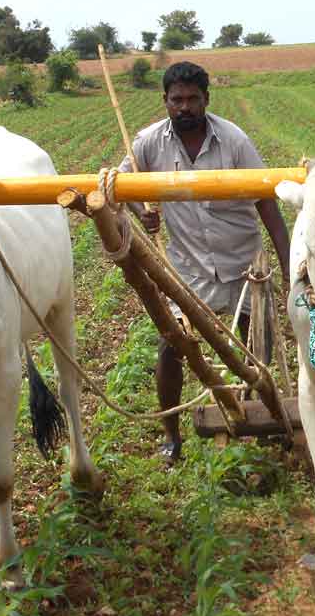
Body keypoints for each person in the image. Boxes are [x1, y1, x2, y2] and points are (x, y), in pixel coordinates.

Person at [119, 61, 290, 464]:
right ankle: (171, 435)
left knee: (255, 349)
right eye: (176, 100)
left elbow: (266, 199)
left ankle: (262, 417)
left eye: (193, 99)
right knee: (170, 348)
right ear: (164, 102)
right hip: (188, 266)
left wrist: (287, 261)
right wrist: (139, 208)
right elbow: (116, 183)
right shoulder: (147, 144)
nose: (184, 107)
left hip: (244, 263)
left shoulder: (234, 140)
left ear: (207, 100)